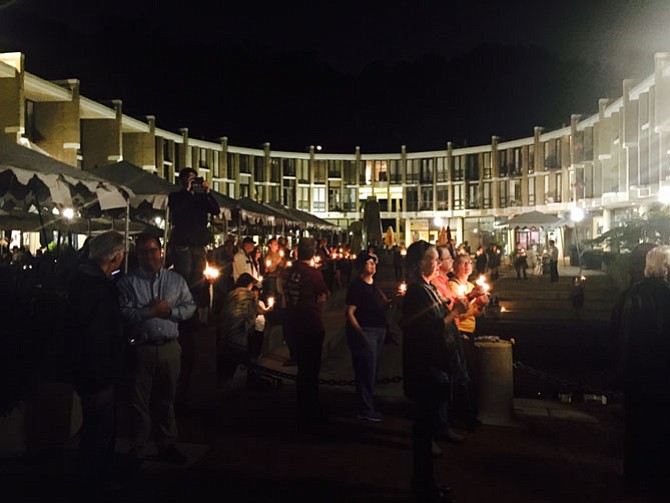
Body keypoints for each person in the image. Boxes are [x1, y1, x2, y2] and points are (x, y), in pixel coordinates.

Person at [117, 233, 196, 465]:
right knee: (139, 401)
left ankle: (166, 443)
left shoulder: (176, 280)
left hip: (170, 346)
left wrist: (171, 312)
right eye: (144, 252)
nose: (150, 256)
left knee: (166, 398)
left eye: (153, 250)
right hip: (142, 347)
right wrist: (148, 313)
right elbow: (123, 313)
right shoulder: (128, 283)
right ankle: (139, 447)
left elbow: (189, 306)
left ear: (161, 252)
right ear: (137, 255)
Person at [400, 240, 467, 502]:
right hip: (424, 368)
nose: (438, 262)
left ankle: (427, 482)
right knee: (422, 434)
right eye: (432, 258)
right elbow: (426, 329)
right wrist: (454, 314)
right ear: (419, 263)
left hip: (431, 366)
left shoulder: (427, 288)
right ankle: (424, 486)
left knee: (425, 433)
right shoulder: (417, 292)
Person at [63, 231, 126, 500]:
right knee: (98, 434)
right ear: (115, 257)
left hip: (89, 372)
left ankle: (90, 482)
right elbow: (97, 336)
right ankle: (91, 485)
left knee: (95, 432)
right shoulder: (97, 289)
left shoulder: (83, 282)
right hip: (98, 374)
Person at [616, 245, 670, 497]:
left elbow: (616, 334)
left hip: (635, 373)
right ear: (666, 268)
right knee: (660, 428)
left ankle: (634, 475)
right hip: (661, 375)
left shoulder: (630, 295)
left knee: (635, 426)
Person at [283, 237, 330, 426]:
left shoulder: (287, 272)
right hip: (311, 323)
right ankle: (310, 408)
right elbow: (324, 294)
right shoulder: (314, 274)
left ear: (297, 252)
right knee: (311, 370)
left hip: (293, 323)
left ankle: (302, 406)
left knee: (302, 367)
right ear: (313, 253)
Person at [167, 167, 220, 313]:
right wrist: (187, 191)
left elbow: (215, 210)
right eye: (190, 178)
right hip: (183, 243)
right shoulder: (176, 196)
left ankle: (194, 308)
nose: (193, 181)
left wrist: (207, 192)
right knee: (184, 275)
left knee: (198, 277)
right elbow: (179, 210)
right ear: (182, 180)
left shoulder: (200, 198)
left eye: (195, 178)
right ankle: (182, 306)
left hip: (198, 243)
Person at [345, 251, 390, 422]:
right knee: (366, 370)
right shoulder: (357, 286)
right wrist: (360, 333)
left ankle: (368, 403)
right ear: (361, 266)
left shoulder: (374, 285)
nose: (373, 266)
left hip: (379, 330)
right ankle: (364, 407)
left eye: (374, 263)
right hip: (367, 331)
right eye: (369, 263)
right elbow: (350, 312)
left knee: (373, 370)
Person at [448, 253, 488, 429]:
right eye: (463, 263)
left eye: (469, 263)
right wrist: (473, 305)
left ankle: (470, 411)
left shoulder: (472, 285)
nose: (467, 266)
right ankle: (464, 414)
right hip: (460, 332)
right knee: (465, 373)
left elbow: (477, 313)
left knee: (471, 372)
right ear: (456, 266)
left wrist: (481, 306)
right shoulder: (453, 286)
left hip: (471, 331)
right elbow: (459, 313)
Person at [217, 273, 258, 386]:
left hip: (226, 329)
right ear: (249, 284)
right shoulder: (249, 295)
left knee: (226, 356)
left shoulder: (231, 294)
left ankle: (224, 380)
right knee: (237, 353)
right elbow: (251, 316)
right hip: (239, 331)